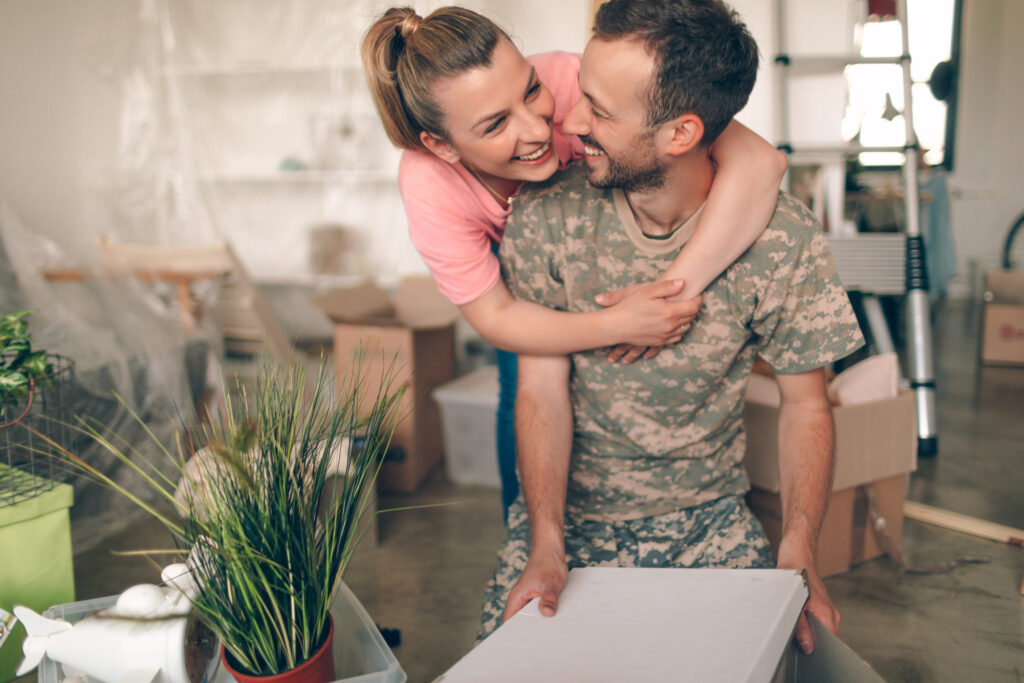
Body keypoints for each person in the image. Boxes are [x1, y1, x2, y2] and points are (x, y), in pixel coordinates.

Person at [481, 0, 865, 655]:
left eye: (598, 110)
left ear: (682, 133)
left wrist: (798, 545)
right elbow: (539, 388)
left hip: (708, 523)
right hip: (567, 521)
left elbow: (807, 404)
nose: (569, 122)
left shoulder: (782, 239)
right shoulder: (546, 212)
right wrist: (545, 539)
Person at [361, 6, 787, 519]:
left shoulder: (571, 81)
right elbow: (498, 317)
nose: (538, 130)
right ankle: (531, 532)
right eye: (496, 124)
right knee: (525, 382)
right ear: (442, 145)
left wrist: (670, 293)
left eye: (530, 90)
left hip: (617, 235)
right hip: (522, 274)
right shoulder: (430, 186)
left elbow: (762, 162)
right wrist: (617, 324)